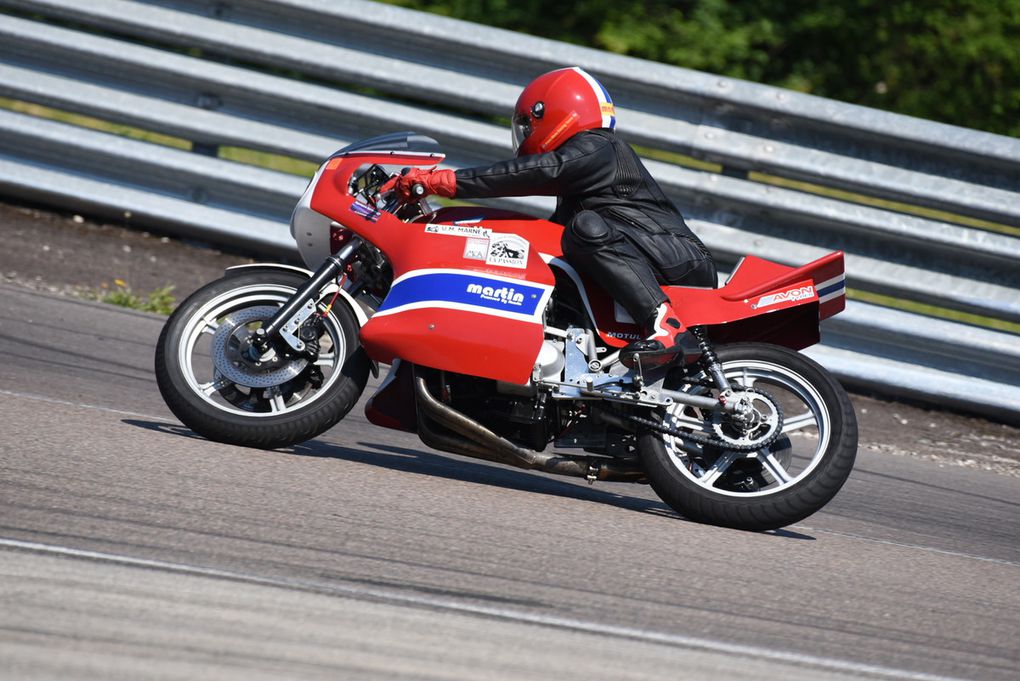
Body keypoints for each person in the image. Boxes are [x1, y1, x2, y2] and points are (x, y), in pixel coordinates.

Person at [382, 66, 716, 366]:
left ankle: (666, 326)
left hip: (678, 257)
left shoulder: (598, 147)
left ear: (551, 112)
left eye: (528, 123)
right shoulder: (584, 175)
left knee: (584, 228)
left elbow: (540, 170)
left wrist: (442, 181)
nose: (525, 134)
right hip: (649, 252)